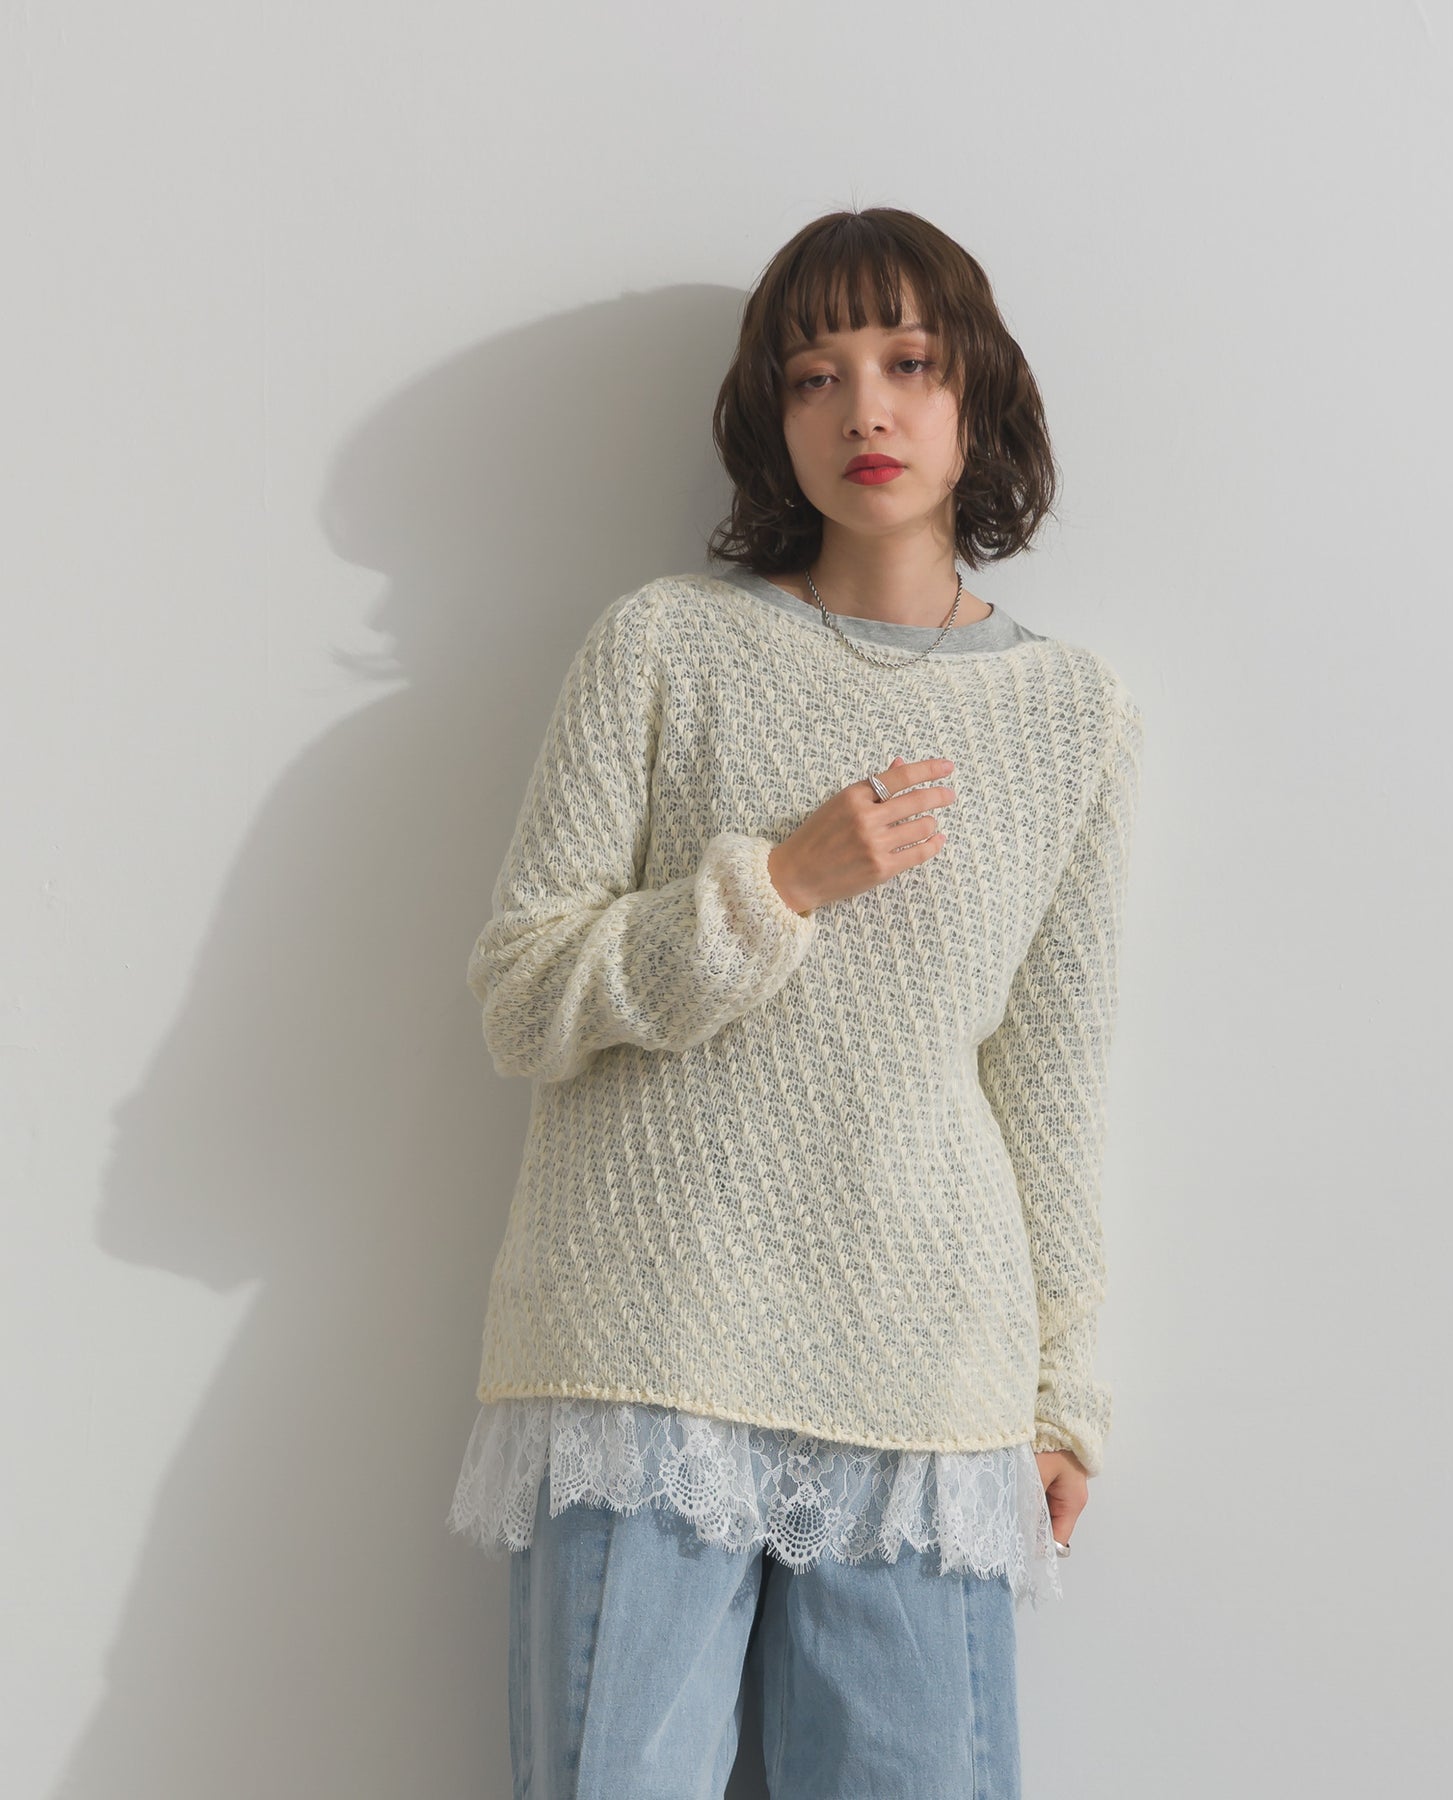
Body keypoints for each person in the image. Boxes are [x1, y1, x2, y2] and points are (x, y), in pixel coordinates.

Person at [447, 206, 1146, 1799]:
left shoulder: (1070, 714)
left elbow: (1051, 1079)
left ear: (977, 394)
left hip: (924, 1372)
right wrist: (776, 887)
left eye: (908, 364)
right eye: (815, 376)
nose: (864, 411)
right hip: (644, 1348)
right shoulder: (661, 645)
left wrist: (1062, 1398)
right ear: (771, 417)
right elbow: (521, 995)